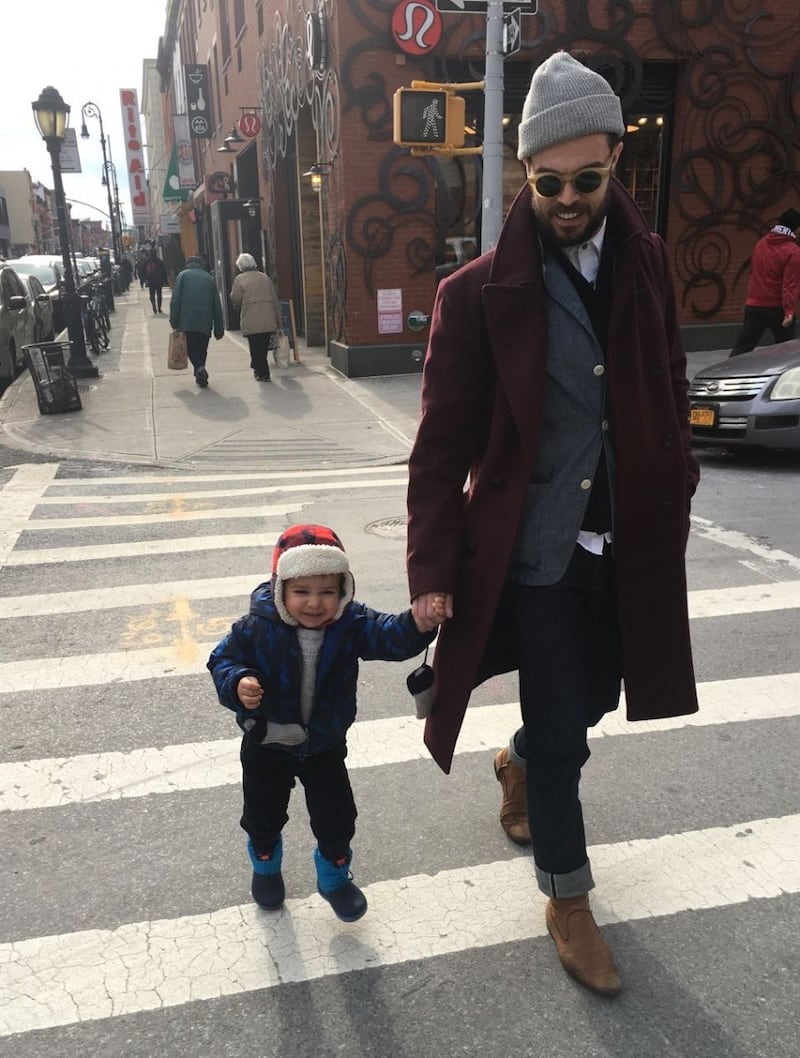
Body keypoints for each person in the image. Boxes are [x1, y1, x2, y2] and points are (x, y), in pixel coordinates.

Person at [406, 50, 700, 996]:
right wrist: (429, 569)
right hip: (535, 552)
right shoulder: (476, 294)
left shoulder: (647, 262)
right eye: (549, 181)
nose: (569, 198)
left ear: (614, 162)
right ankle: (568, 898)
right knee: (568, 730)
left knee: (591, 704)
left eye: (588, 178)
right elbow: (441, 446)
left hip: (628, 539)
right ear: (524, 173)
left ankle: (521, 761)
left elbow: (665, 376)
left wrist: (676, 474)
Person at [208, 524, 440, 921]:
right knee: (262, 817)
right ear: (280, 589)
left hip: (325, 746)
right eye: (301, 592)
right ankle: (265, 866)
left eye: (327, 592)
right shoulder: (256, 626)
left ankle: (333, 877)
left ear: (344, 591)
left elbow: (389, 636)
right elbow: (222, 660)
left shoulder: (352, 623)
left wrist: (419, 624)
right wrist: (238, 682)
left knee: (337, 819)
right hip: (266, 745)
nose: (314, 604)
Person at [729, 208, 800, 356]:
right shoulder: (793, 251)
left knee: (743, 347)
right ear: (796, 228)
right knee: (786, 351)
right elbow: (790, 285)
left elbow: (754, 272)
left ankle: (728, 372)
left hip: (754, 305)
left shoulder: (761, 243)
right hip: (777, 308)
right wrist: (789, 312)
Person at [169, 256, 224, 387]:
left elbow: (175, 301)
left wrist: (175, 321)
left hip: (187, 320)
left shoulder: (182, 276)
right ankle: (200, 376)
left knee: (191, 348)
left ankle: (199, 368)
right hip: (205, 320)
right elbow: (217, 305)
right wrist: (219, 327)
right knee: (202, 348)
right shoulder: (209, 278)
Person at [230, 253, 280, 381]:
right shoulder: (265, 277)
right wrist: (278, 320)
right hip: (268, 317)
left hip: (251, 317)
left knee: (255, 346)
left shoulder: (239, 279)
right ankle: (260, 369)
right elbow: (275, 299)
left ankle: (262, 371)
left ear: (240, 266)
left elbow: (236, 298)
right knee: (263, 346)